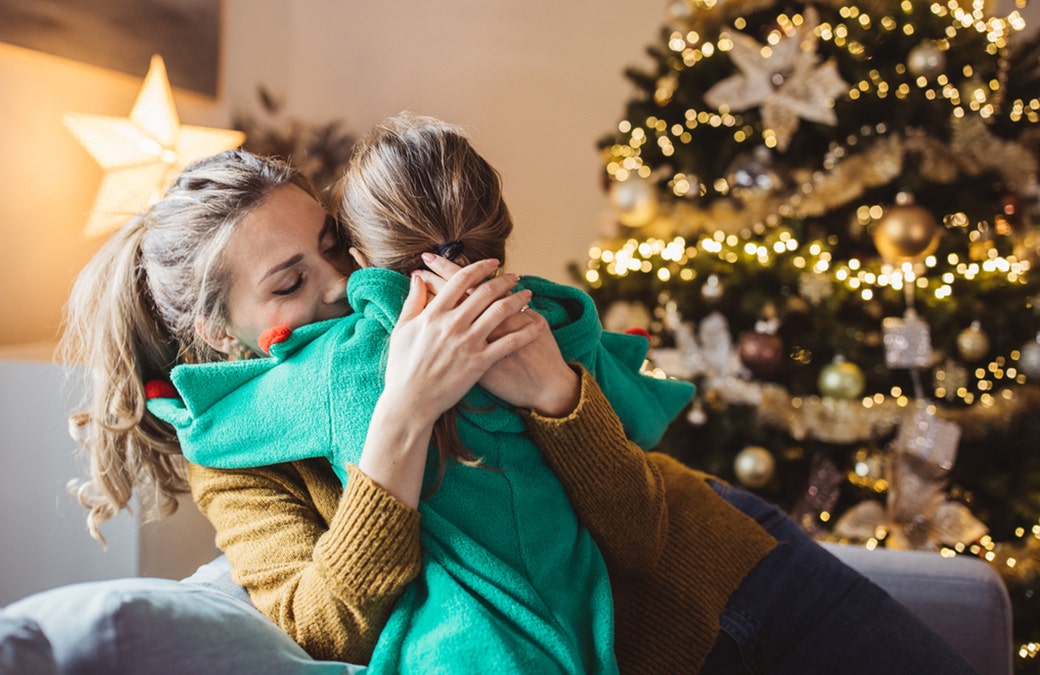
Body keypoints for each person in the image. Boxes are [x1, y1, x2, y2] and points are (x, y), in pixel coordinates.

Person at [61, 118, 976, 673]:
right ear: (220, 333)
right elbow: (322, 625)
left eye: (336, 245)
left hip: (733, 564)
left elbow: (646, 520)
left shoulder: (460, 304)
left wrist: (558, 397)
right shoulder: (241, 445)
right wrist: (402, 419)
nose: (344, 288)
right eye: (289, 283)